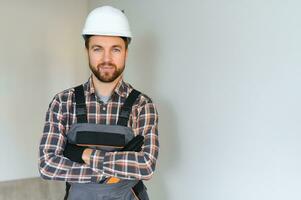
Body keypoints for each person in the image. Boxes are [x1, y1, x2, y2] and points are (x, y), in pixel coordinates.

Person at [38, 6, 159, 200]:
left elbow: (146, 166)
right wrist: (109, 171)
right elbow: (47, 165)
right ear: (87, 50)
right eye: (97, 49)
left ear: (126, 52)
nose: (106, 59)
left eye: (115, 49)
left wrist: (84, 154)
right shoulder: (63, 102)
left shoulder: (142, 105)